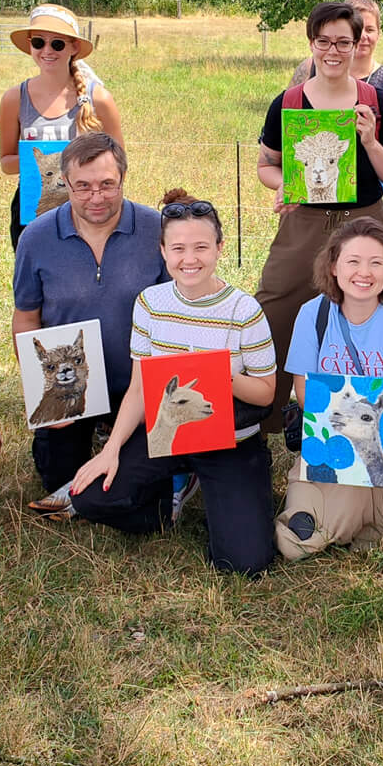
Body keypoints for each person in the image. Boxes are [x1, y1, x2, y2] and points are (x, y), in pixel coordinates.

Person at [52, 191, 278, 574]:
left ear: (220, 248)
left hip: (231, 439)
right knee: (91, 499)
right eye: (178, 248)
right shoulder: (151, 303)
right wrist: (112, 450)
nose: (189, 259)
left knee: (246, 563)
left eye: (201, 247)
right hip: (167, 436)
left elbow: (266, 393)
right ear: (163, 251)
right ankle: (162, 505)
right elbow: (140, 387)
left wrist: (223, 373)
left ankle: (227, 493)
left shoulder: (244, 310)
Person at [255, 0, 383, 437]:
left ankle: (360, 423)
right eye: (324, 41)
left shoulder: (376, 103)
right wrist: (283, 185)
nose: (333, 51)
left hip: (363, 222)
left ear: (357, 43)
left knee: (366, 316)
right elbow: (266, 165)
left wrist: (370, 143)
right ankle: (264, 422)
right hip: (303, 223)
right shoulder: (287, 103)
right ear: (311, 44)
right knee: (275, 310)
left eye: (344, 41)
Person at [13, 133, 169, 511]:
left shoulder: (156, 230)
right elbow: (25, 319)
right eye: (82, 187)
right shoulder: (35, 237)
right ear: (64, 182)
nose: (96, 197)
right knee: (60, 478)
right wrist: (41, 389)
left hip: (139, 387)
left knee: (140, 490)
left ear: (123, 179)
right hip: (72, 391)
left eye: (106, 185)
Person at [275, 217, 383, 560]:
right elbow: (306, 396)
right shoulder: (312, 314)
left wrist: (363, 421)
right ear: (334, 266)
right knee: (291, 545)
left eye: (376, 263)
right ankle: (369, 524)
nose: (364, 272)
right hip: (331, 422)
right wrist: (344, 420)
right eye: (353, 261)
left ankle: (336, 526)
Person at [0, 4, 123, 248]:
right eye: (38, 43)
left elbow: (119, 165)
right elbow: (6, 163)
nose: (47, 51)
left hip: (88, 210)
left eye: (57, 44)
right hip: (34, 209)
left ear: (73, 47)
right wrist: (38, 157)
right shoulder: (14, 99)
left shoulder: (99, 99)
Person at [287, 0, 383, 105]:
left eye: (369, 29)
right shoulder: (308, 67)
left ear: (379, 33)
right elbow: (289, 107)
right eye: (358, 30)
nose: (362, 36)